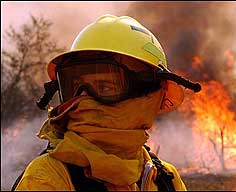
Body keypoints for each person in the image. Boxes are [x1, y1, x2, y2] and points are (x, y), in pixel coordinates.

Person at [13, 14, 201, 191]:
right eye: (77, 87)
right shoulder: (46, 178)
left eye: (106, 87)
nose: (85, 99)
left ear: (151, 95)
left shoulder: (164, 179)